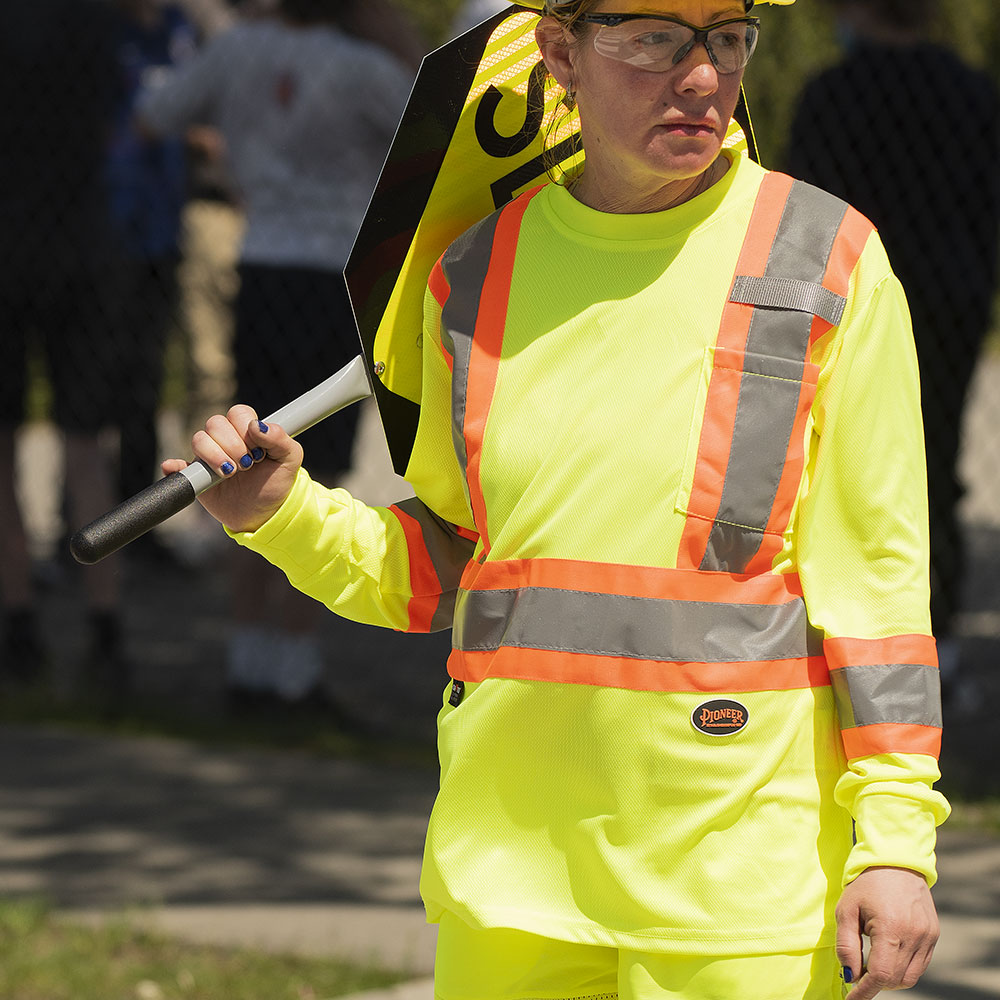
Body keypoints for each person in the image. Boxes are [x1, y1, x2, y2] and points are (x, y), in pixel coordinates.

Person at [166, 1, 950, 997]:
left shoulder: (828, 260)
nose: (701, 78)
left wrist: (893, 840)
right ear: (557, 54)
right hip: (509, 880)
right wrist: (281, 516)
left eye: (725, 38)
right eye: (653, 39)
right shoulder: (473, 272)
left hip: (734, 894)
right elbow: (457, 574)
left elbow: (877, 584)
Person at [137, 0, 412, 711]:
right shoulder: (363, 67)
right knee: (314, 469)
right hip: (338, 275)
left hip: (264, 264)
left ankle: (250, 658)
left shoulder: (238, 51)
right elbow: (435, 133)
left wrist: (238, 138)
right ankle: (292, 667)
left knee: (249, 457)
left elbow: (158, 112)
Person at [785, 0, 1000, 711]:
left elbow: (798, 216)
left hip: (846, 306)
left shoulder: (832, 96)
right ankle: (932, 654)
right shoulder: (973, 95)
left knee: (828, 467)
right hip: (947, 306)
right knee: (932, 470)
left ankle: (826, 643)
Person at [0, 0, 127, 687]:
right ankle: (105, 627)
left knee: (8, 445)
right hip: (82, 245)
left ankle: (19, 620)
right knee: (86, 447)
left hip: (17, 243)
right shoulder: (98, 20)